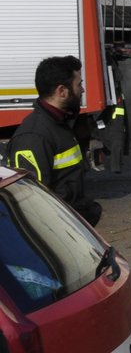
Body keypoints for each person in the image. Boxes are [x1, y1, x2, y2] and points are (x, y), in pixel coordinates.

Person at [7, 55, 101, 226]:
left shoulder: (60, 124)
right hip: (60, 227)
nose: (83, 90)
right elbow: (34, 203)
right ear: (62, 91)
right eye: (79, 84)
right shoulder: (34, 137)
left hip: (73, 222)